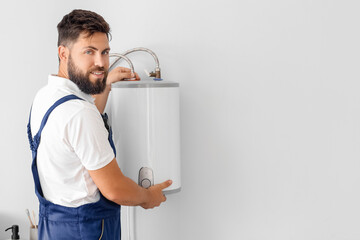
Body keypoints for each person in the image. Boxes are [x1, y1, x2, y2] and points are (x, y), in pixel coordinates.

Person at [27, 9, 172, 239]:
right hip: (88, 230)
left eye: (105, 52)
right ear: (63, 53)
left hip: (54, 228)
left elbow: (78, 136)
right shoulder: (79, 114)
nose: (101, 63)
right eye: (89, 52)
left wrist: (105, 85)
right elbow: (115, 189)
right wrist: (148, 197)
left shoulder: (45, 97)